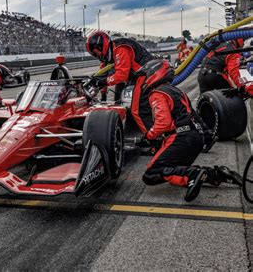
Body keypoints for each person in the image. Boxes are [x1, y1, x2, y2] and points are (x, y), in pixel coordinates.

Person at [133, 59, 242, 202]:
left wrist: (148, 136)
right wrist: (207, 136)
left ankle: (193, 174)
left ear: (155, 73)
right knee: (174, 170)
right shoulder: (176, 91)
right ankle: (217, 174)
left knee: (151, 173)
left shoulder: (157, 93)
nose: (145, 80)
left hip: (181, 138)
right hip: (195, 137)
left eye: (146, 76)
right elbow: (194, 115)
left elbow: (163, 123)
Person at [85, 31, 154, 102]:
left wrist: (101, 82)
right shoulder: (106, 58)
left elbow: (122, 75)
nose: (97, 55)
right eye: (94, 54)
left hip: (147, 75)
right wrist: (103, 95)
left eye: (96, 52)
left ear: (101, 46)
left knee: (135, 105)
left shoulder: (121, 48)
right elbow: (103, 75)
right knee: (119, 95)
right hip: (134, 76)